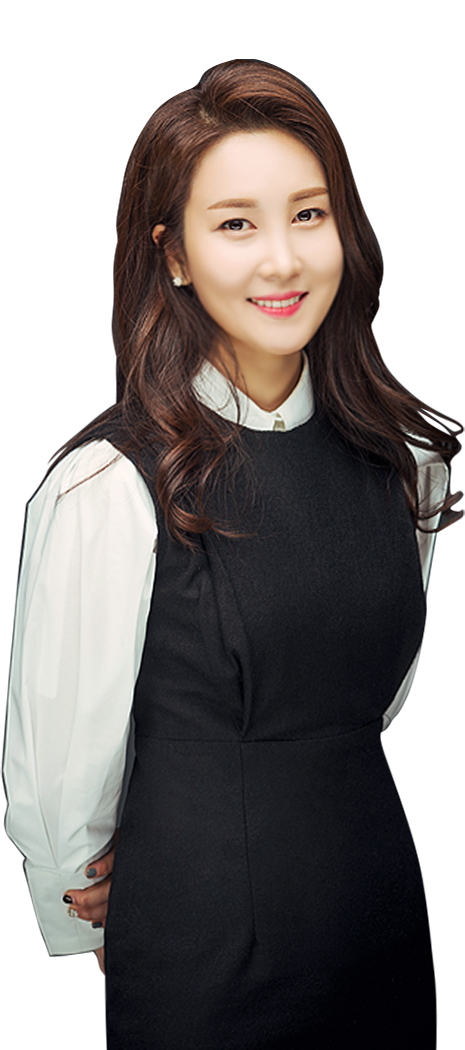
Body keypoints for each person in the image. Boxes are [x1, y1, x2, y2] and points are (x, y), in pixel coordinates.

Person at [3, 60, 462, 1049]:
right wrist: (77, 902)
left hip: (378, 917)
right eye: (236, 224)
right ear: (174, 254)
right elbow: (62, 765)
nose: (281, 261)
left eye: (308, 215)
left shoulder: (406, 461)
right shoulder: (109, 483)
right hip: (198, 938)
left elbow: (369, 700)